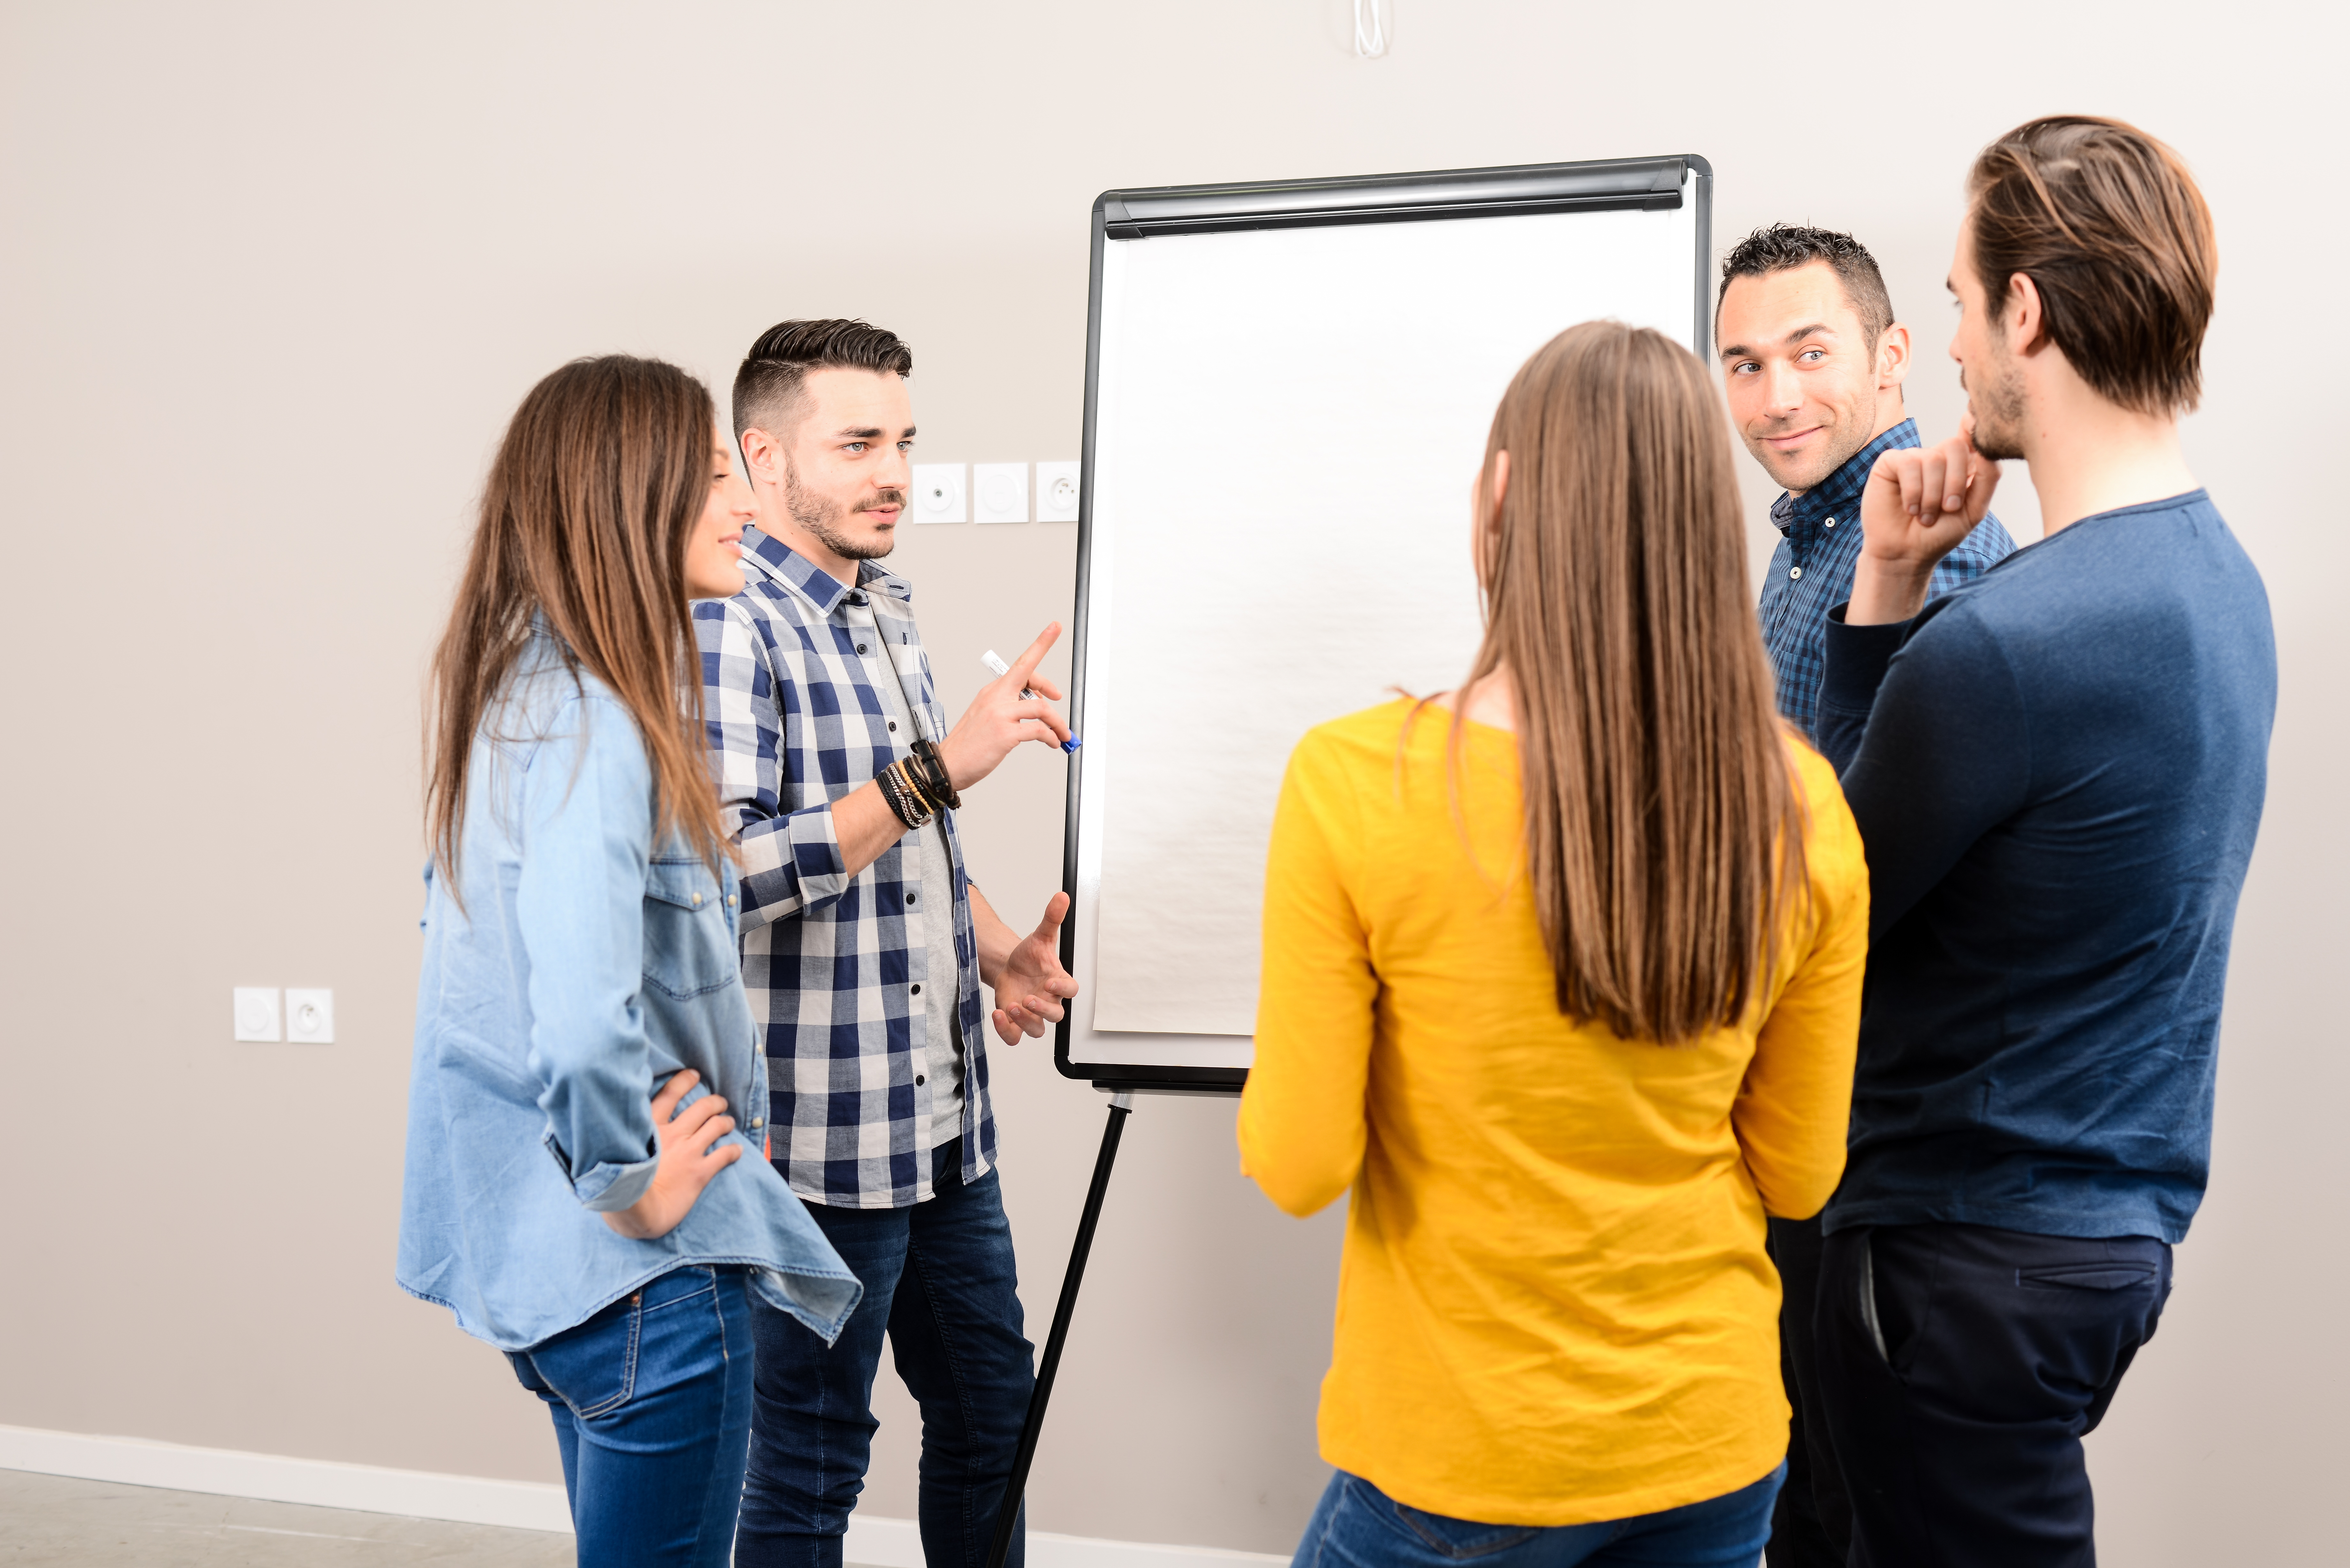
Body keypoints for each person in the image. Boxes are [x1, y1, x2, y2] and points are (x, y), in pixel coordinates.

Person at [1240, 320, 1871, 1568]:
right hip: (1708, 1446)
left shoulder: (1357, 782)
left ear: (1502, 494)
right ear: (1704, 522)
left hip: (1460, 1457)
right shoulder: (1802, 809)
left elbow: (1298, 1161)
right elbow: (1798, 1177)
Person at [1811, 117, 2275, 1567]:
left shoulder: (2007, 646)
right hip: (2094, 1249)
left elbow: (1817, 912)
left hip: (1953, 1266)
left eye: (1955, 298)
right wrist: (1894, 572)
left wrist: (1885, 601)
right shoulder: (2221, 584)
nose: (1949, 343)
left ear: (2025, 309)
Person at [398, 355, 863, 1568]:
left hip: (556, 1278)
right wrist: (627, 1182)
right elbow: (578, 1015)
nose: (748, 504)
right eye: (717, 473)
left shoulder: (516, 693)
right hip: (650, 1280)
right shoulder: (601, 719)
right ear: (632, 491)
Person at [695, 319, 1080, 1568]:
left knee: (992, 1424)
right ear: (763, 456)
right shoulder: (728, 622)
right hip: (816, 1147)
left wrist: (998, 948)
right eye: (857, 441)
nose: (894, 472)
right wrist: (934, 768)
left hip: (943, 1131)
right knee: (810, 1467)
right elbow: (728, 874)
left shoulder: (882, 608)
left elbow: (912, 847)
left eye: (904, 440)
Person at [1713, 222, 2018, 1567]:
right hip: (1805, 1109)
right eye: (1742, 362)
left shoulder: (1918, 540)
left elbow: (1876, 866)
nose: (1774, 395)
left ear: (1893, 355)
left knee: (1847, 1508)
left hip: (1872, 1125)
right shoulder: (1807, 542)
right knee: (1805, 1489)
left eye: (1808, 353)